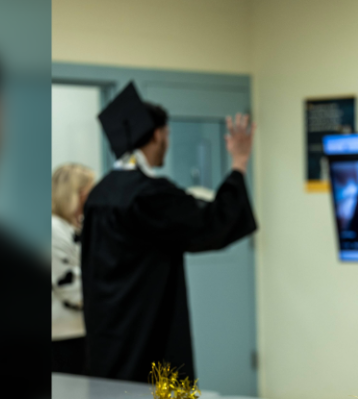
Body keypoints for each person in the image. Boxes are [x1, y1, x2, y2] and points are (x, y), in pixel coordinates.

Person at [81, 82, 257, 383]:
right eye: (167, 134)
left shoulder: (100, 194)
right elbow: (212, 225)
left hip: (107, 339)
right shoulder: (151, 196)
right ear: (158, 134)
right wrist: (239, 163)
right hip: (147, 338)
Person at [52, 164, 95, 374]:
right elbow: (67, 285)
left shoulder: (73, 228)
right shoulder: (52, 229)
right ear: (77, 194)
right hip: (63, 336)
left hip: (77, 332)